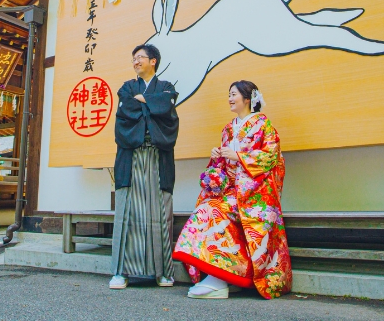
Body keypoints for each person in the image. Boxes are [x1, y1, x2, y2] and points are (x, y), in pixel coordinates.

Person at [173, 80, 292, 299]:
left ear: (248, 99)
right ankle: (217, 274)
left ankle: (221, 278)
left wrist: (237, 156)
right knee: (207, 208)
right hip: (233, 191)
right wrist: (217, 158)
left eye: (234, 94)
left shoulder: (262, 125)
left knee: (217, 213)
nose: (230, 98)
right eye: (229, 94)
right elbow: (225, 167)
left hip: (255, 193)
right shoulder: (228, 129)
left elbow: (270, 157)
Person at [109, 44, 179, 289]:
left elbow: (168, 107)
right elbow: (126, 109)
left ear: (153, 61)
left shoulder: (167, 88)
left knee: (160, 213)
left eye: (140, 57)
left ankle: (162, 272)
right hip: (133, 155)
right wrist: (152, 104)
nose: (136, 62)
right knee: (128, 212)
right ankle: (121, 272)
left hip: (157, 156)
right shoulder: (128, 87)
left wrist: (145, 101)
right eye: (133, 58)